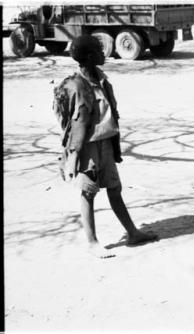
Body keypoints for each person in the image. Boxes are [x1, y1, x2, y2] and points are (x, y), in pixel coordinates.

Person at [53, 35, 158, 258]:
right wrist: (72, 154)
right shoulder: (77, 85)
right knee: (88, 192)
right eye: (100, 51)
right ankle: (92, 242)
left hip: (106, 144)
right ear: (90, 57)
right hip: (87, 147)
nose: (105, 54)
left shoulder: (102, 79)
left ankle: (132, 233)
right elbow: (72, 122)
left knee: (114, 188)